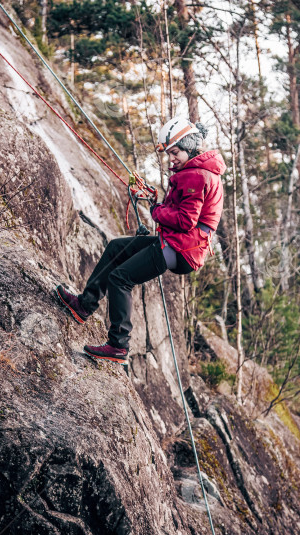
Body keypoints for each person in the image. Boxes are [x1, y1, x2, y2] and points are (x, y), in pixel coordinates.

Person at [55, 117, 226, 366]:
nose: (171, 159)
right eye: (169, 154)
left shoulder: (197, 175)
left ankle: (118, 345)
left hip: (181, 249)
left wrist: (156, 211)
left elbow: (185, 220)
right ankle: (84, 305)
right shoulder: (198, 171)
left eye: (175, 152)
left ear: (189, 147)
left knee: (120, 278)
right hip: (179, 244)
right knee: (116, 248)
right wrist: (158, 204)